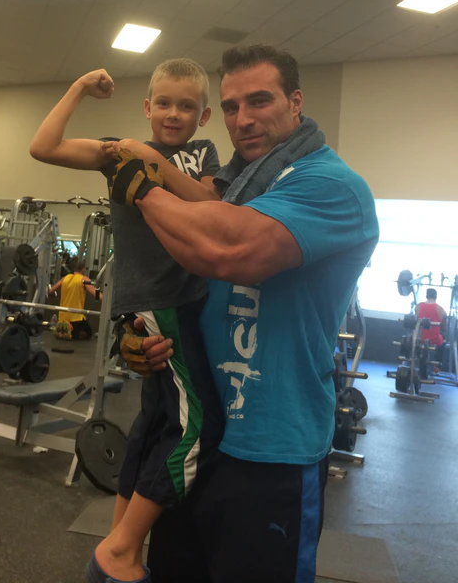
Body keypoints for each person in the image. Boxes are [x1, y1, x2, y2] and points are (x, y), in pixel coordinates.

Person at [112, 44, 380, 583]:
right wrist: (141, 338)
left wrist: (142, 188)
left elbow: (230, 253)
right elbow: (183, 283)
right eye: (232, 107)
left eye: (260, 101)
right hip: (195, 440)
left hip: (272, 452)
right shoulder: (233, 187)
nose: (243, 119)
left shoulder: (330, 184)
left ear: (295, 102)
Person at [29, 59, 224, 583]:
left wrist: (152, 162)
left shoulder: (203, 153)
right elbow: (43, 147)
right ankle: (120, 551)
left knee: (156, 420)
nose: (174, 113)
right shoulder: (118, 150)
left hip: (188, 300)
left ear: (204, 116)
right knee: (199, 426)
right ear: (147, 107)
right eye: (164, 103)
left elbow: (210, 203)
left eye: (187, 106)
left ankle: (119, 545)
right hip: (158, 300)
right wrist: (78, 86)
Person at [49, 259, 98, 340]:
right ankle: (73, 332)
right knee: (88, 333)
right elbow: (95, 294)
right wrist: (105, 297)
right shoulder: (83, 279)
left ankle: (63, 329)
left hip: (62, 317)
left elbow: (50, 291)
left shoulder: (65, 278)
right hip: (76, 318)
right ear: (83, 269)